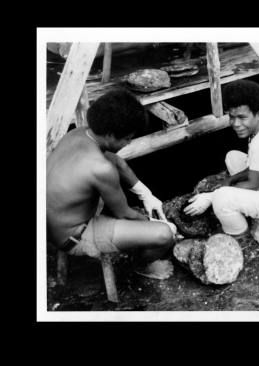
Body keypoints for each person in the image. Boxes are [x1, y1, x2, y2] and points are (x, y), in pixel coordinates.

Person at [47, 89, 177, 279]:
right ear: (109, 134)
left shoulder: (79, 133)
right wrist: (156, 224)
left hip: (51, 222)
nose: (128, 142)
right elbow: (124, 213)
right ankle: (142, 266)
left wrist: (145, 193)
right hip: (73, 236)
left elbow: (116, 161)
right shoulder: (100, 169)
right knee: (164, 235)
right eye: (126, 138)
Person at [183, 80, 259, 237]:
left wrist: (212, 195)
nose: (235, 123)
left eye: (241, 117)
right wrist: (231, 180)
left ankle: (239, 234)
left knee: (221, 198)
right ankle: (239, 204)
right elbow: (254, 167)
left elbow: (253, 183)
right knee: (232, 157)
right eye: (232, 117)